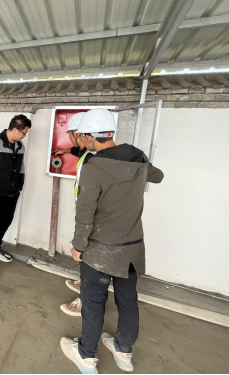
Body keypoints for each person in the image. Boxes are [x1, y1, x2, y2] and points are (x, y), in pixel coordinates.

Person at [60, 109, 164, 375]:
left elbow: (85, 214)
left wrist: (78, 246)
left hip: (99, 250)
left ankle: (86, 355)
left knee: (93, 303)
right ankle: (123, 350)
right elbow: (158, 176)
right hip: (131, 250)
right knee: (128, 301)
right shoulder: (138, 157)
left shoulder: (94, 167)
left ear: (89, 137)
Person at [0, 115, 32, 281]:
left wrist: (19, 186)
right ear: (15, 129)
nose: (24, 136)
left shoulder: (20, 146)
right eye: (24, 132)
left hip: (12, 193)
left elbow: (21, 168)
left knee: (6, 221)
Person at [56, 112, 94, 318]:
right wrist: (62, 150)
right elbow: (75, 151)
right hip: (85, 214)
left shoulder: (92, 159)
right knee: (85, 259)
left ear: (78, 134)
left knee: (87, 257)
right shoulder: (86, 153)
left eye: (70, 134)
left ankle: (84, 301)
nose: (69, 138)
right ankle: (83, 284)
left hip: (90, 218)